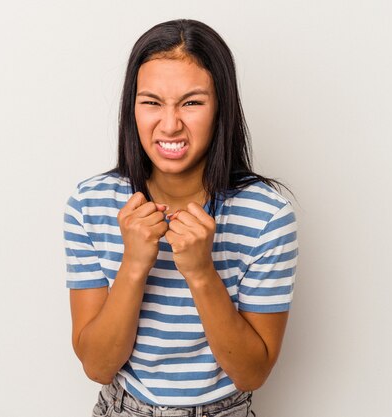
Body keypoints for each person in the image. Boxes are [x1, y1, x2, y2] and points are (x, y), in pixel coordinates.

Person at [64, 18, 298, 417]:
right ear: (131, 108)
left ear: (221, 107)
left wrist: (202, 272)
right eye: (152, 102)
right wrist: (134, 263)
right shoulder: (90, 204)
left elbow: (252, 373)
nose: (170, 124)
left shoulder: (268, 216)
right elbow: (98, 366)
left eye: (192, 102)